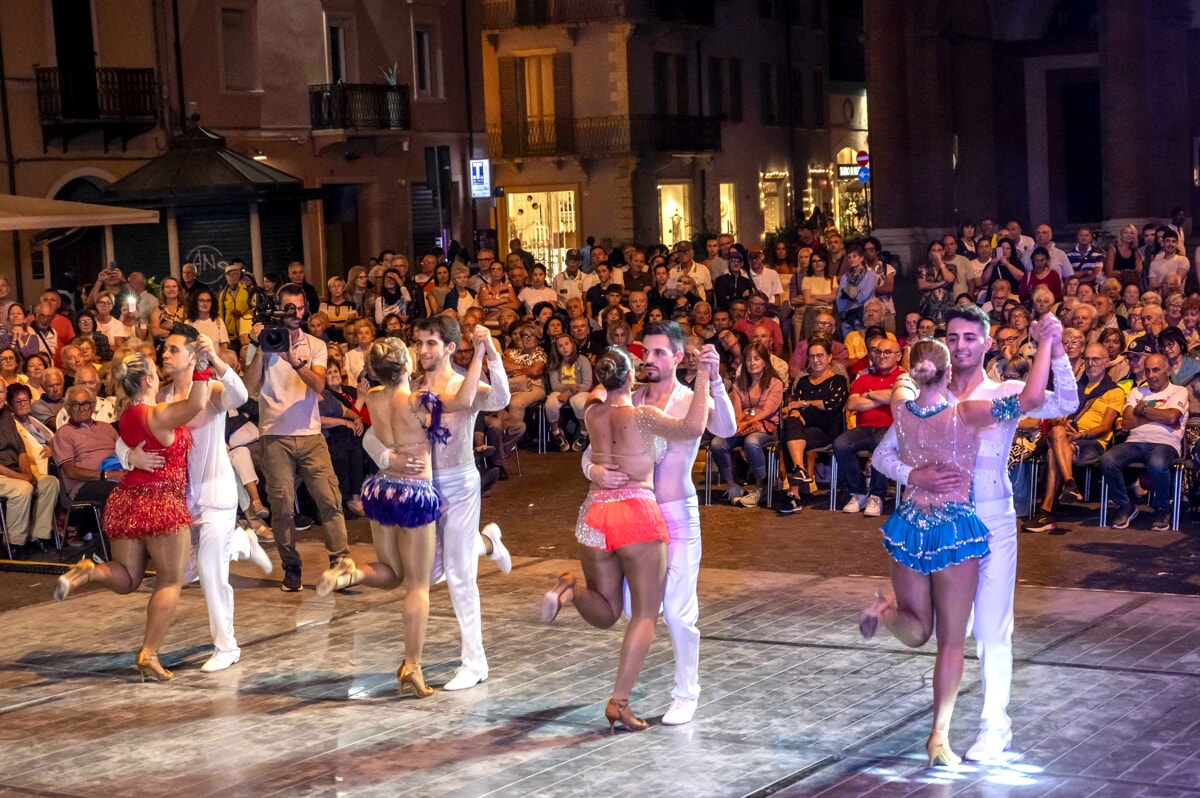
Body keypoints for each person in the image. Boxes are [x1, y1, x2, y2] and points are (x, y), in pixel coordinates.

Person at [871, 305, 1078, 762]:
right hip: (939, 524)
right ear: (944, 344)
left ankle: (993, 727)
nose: (962, 344)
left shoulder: (1002, 390)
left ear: (987, 343)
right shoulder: (926, 398)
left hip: (992, 521)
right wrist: (914, 475)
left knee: (989, 630)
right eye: (954, 336)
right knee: (947, 630)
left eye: (970, 337)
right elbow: (885, 456)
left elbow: (1065, 403)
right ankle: (942, 730)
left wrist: (1055, 346)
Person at [542, 346, 713, 731]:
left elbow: (596, 403)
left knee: (606, 610)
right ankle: (619, 701)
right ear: (631, 377)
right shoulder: (645, 417)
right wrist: (702, 375)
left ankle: (571, 590)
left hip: (594, 516)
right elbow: (693, 427)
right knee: (645, 616)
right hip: (635, 515)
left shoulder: (591, 412)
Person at [317, 329, 490, 696]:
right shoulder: (417, 401)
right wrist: (478, 355)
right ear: (406, 364)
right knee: (417, 586)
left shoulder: (374, 398)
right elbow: (465, 398)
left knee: (390, 572)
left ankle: (350, 574)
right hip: (414, 494)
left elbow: (370, 431)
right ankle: (412, 664)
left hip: (381, 489)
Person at [581, 322, 735, 724]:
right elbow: (590, 453)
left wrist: (714, 380)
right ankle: (626, 693)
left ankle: (686, 692)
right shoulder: (628, 398)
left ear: (679, 357)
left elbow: (728, 429)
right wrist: (595, 472)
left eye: (659, 352)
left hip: (677, 515)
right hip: (632, 518)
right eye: (645, 352)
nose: (649, 359)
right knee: (637, 608)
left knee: (679, 612)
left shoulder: (691, 398)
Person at [362, 313, 512, 691]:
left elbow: (501, 398)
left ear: (449, 347)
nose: (422, 349)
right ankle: (489, 543)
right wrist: (388, 459)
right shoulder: (406, 385)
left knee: (460, 574)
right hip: (419, 488)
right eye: (419, 342)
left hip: (459, 484)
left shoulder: (464, 383)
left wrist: (490, 351)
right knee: (425, 576)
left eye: (431, 343)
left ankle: (474, 662)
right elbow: (370, 436)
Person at [115, 328, 272, 672]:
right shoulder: (162, 397)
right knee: (182, 574)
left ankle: (227, 647)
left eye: (172, 349)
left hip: (216, 495)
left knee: (211, 571)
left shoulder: (212, 390)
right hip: (179, 501)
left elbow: (242, 395)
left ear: (191, 356)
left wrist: (215, 359)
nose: (165, 354)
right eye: (164, 350)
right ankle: (241, 543)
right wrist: (130, 457)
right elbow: (127, 433)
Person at [53, 352, 212, 682]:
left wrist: (129, 456)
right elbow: (197, 404)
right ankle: (148, 653)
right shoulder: (159, 413)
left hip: (126, 500)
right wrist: (203, 364)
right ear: (148, 380)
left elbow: (125, 447)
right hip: (160, 503)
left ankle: (90, 570)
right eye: (155, 371)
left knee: (127, 578)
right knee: (170, 580)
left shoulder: (125, 415)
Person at [245, 283, 351, 592]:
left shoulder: (315, 344)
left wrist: (293, 359)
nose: (294, 313)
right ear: (278, 309)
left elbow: (319, 386)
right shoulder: (263, 342)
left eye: (299, 308)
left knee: (330, 499)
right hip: (274, 434)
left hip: (310, 434)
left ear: (305, 310)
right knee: (282, 507)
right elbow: (249, 388)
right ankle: (291, 567)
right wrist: (262, 351)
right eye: (287, 308)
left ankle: (340, 564)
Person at [1100, 353, 1188, 530]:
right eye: (1147, 371)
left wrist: (1144, 410)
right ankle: (1125, 506)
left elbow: (1172, 417)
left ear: (1168, 371)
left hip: (1165, 443)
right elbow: (1127, 422)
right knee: (1107, 460)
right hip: (1135, 441)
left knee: (1157, 463)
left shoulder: (1179, 391)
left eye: (1156, 370)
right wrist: (1158, 415)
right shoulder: (1136, 391)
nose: (1151, 375)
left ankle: (1162, 508)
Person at [712, 341, 784, 507]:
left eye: (756, 359)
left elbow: (767, 412)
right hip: (742, 426)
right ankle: (732, 486)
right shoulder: (739, 384)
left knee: (751, 442)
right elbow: (737, 412)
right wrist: (738, 424)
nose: (752, 363)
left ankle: (760, 486)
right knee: (717, 443)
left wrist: (748, 420)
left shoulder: (775, 383)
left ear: (765, 361)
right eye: (749, 359)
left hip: (765, 428)